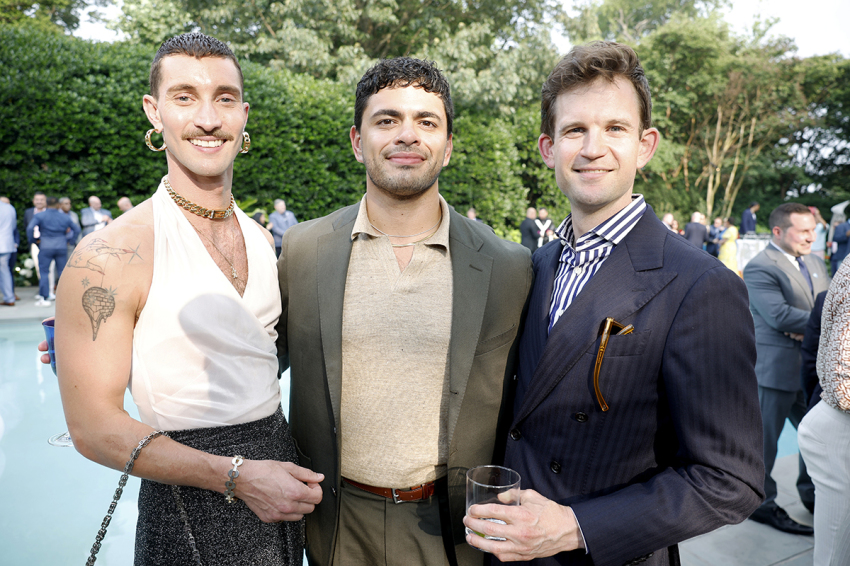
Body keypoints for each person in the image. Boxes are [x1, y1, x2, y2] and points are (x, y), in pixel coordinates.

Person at [464, 41, 764, 565]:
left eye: (615, 129)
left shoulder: (700, 284)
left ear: (645, 145)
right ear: (547, 148)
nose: (592, 147)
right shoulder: (534, 265)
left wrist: (575, 527)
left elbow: (729, 480)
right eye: (575, 130)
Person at [48, 33, 322, 564]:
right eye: (184, 97)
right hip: (189, 498)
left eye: (223, 98)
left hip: (280, 485)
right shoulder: (110, 253)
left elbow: (261, 354)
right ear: (155, 112)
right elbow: (93, 429)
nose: (207, 118)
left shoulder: (263, 240)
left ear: (244, 114)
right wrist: (239, 477)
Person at [277, 57, 532, 566]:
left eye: (427, 121)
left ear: (449, 146)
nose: (407, 135)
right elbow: (255, 373)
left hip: (454, 527)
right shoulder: (303, 250)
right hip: (334, 521)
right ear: (357, 141)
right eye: (387, 119)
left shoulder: (509, 265)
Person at [743, 202, 830, 535]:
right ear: (778, 231)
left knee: (815, 438)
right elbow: (777, 316)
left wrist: (808, 326)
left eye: (812, 230)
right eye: (804, 231)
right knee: (765, 444)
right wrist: (822, 324)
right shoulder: (760, 266)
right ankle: (762, 505)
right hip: (774, 369)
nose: (811, 237)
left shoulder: (815, 261)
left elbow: (829, 302)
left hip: (808, 368)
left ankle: (812, 496)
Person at [799, 261, 850, 565]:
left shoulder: (820, 266)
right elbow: (843, 383)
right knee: (835, 557)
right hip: (838, 427)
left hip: (832, 413)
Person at [26, 197, 80, 307]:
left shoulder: (40, 215)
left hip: (45, 246)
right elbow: (77, 229)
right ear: (58, 205)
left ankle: (44, 297)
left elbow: (29, 228)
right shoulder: (64, 217)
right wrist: (71, 241)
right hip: (61, 246)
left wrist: (34, 241)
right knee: (63, 273)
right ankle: (66, 297)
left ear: (46, 204)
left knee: (44, 272)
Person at [0, 197, 16, 306]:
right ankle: (9, 297)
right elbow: (13, 227)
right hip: (6, 244)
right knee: (5, 272)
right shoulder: (9, 208)